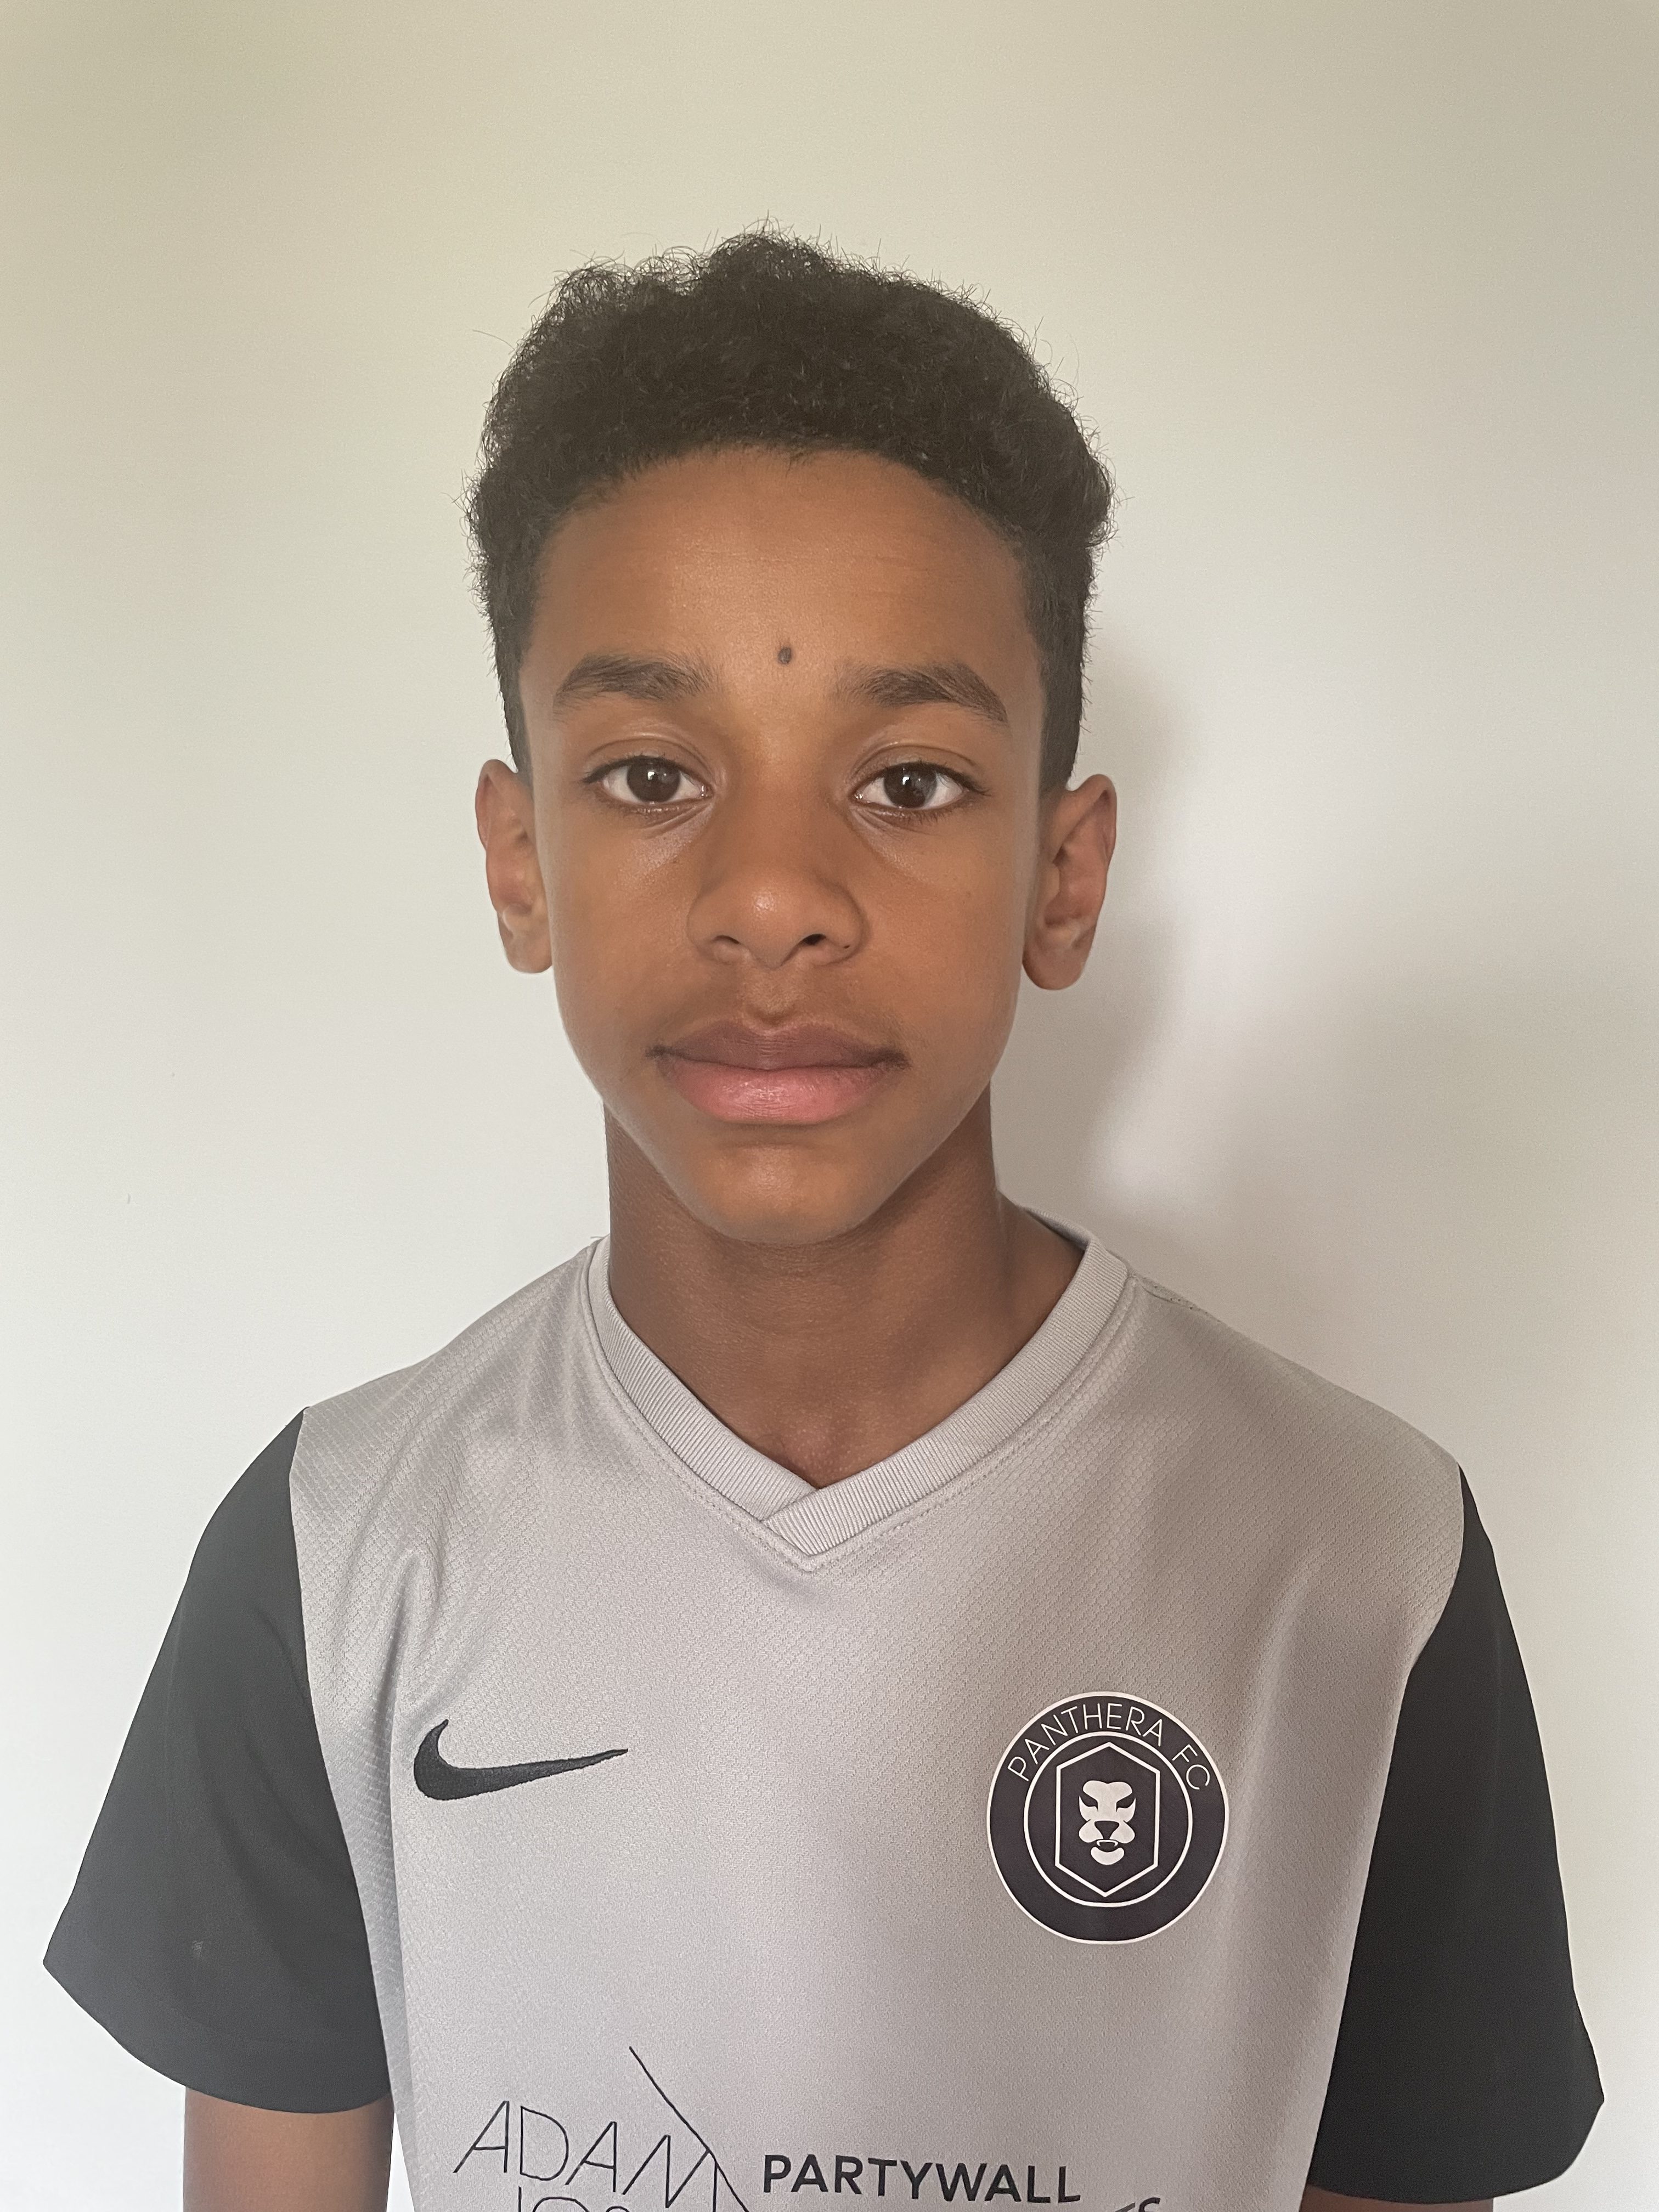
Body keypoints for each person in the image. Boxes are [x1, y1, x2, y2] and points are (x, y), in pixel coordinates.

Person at [46, 233, 1601, 2212]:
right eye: (650, 773)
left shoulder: (1361, 1563)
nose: (773, 895)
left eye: (910, 782)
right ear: (520, 864)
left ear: (1064, 877)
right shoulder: (337, 1554)